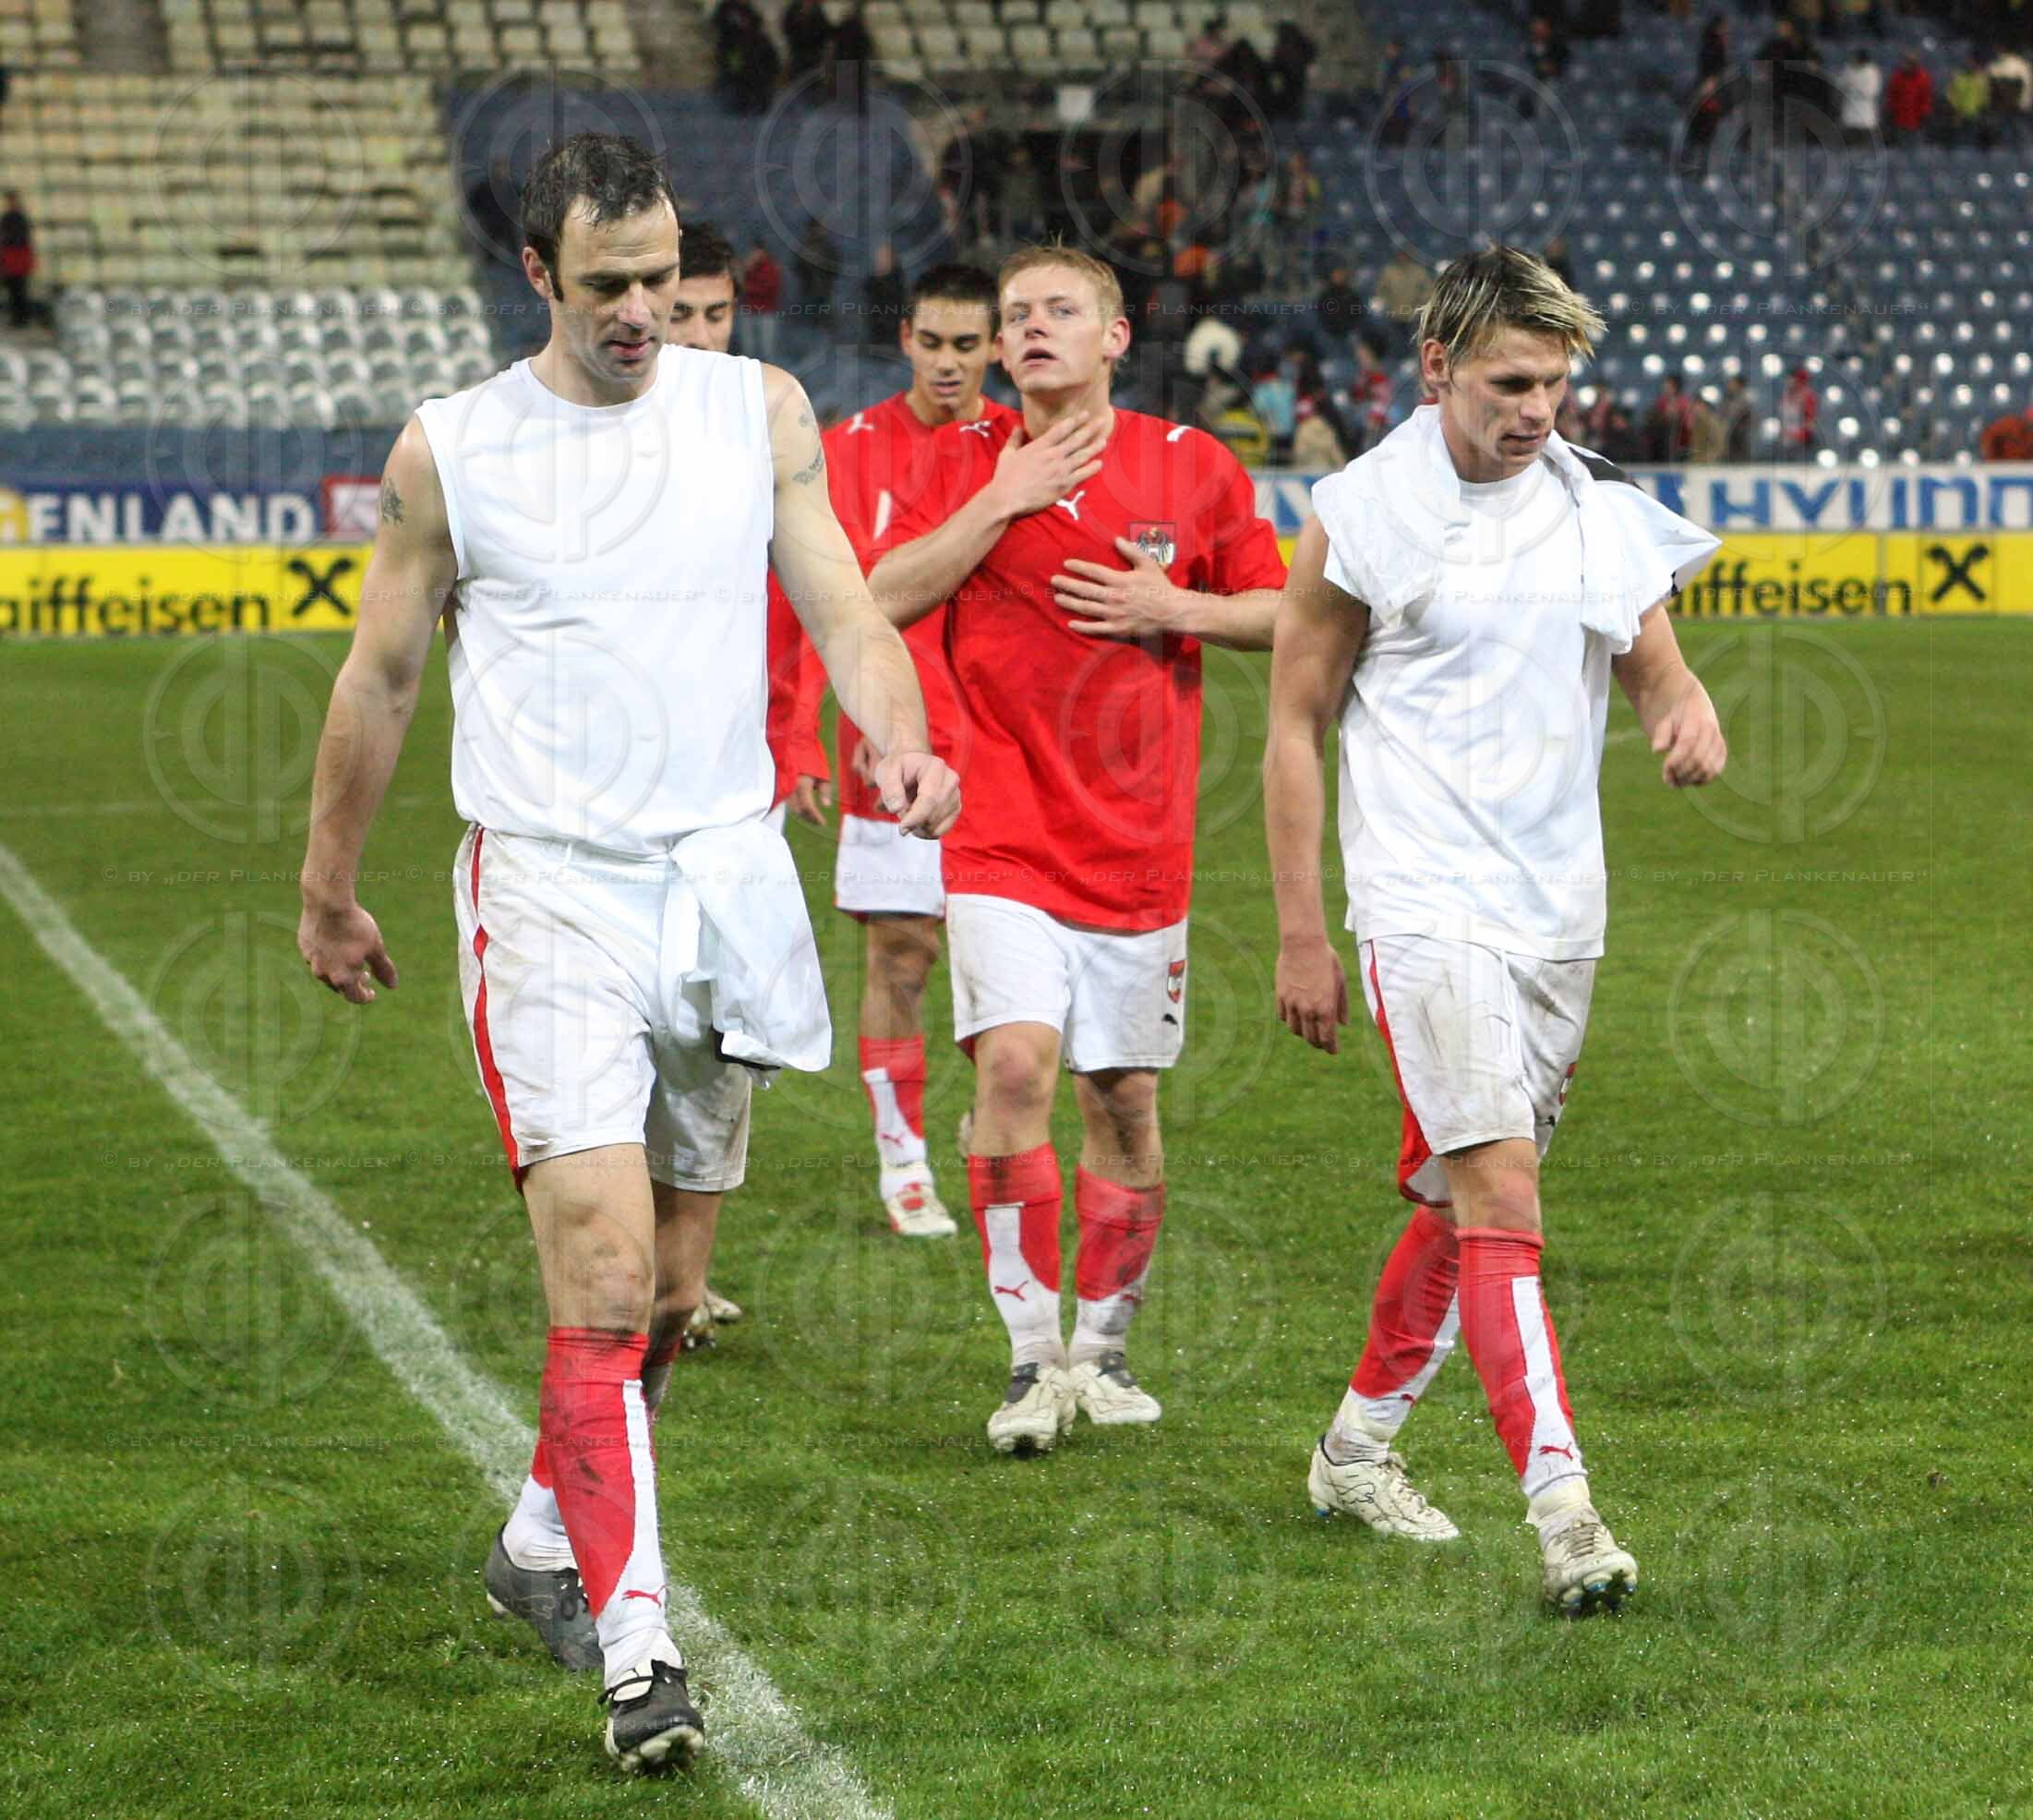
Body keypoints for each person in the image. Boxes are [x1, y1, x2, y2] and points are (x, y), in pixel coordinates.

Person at [294, 132, 958, 1772]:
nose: (647, 310)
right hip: (550, 893)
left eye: (663, 275)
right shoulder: (454, 452)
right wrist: (328, 885)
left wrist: (896, 739)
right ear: (536, 276)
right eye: (609, 285)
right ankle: (639, 1655)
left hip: (725, 885)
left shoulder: (761, 414)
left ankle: (541, 1537)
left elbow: (847, 615)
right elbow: (377, 681)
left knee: (662, 1295)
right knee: (595, 1276)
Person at [1261, 245, 1726, 1615]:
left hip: (1556, 912)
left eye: (1555, 383)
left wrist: (1678, 710)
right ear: (1437, 368)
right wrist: (1300, 933)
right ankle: (1566, 1513)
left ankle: (1354, 1449)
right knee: (1501, 1196)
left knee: (1453, 1203)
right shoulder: (1362, 515)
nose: (1536, 409)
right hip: (1419, 901)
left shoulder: (1594, 508)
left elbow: (1654, 664)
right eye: (1510, 381)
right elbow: (1293, 722)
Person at [865, 245, 1287, 1452]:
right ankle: (1026, 1356)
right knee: (1013, 1066)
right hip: (998, 832)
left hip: (1137, 849)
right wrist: (1002, 493)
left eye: (1061, 309)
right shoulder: (957, 459)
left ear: (1114, 335)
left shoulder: (1190, 466)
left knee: (1124, 1098)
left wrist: (1179, 610)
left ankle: (1099, 1351)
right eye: (1014, 316)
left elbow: (1285, 608)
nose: (1031, 327)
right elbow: (879, 593)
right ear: (997, 350)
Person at [655, 218, 827, 1347]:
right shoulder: (600, 436)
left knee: (722, 1043)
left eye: (719, 314)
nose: (704, 336)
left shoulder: (761, 430)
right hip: (618, 803)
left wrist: (803, 740)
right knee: (636, 1038)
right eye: (683, 315)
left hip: (741, 792)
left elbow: (817, 606)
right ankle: (635, 1266)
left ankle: (680, 1274)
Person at [817, 263, 1016, 1238]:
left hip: (1013, 757)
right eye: (932, 342)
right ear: (906, 338)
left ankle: (999, 1133)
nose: (948, 362)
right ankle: (903, 1163)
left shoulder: (1025, 449)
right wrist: (859, 732)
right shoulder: (846, 450)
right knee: (901, 957)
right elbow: (840, 610)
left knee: (1001, 961)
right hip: (892, 750)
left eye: (966, 345)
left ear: (996, 348)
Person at [740, 241, 783, 364]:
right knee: (748, 346)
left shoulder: (770, 268)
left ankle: (770, 372)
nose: (754, 255)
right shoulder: (748, 267)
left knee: (767, 347)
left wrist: (748, 286)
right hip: (749, 310)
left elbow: (768, 287)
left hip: (766, 311)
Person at [0, 191, 33, 330]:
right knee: (14, 288)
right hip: (11, 256)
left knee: (19, 288)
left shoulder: (18, 218)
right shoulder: (10, 217)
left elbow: (20, 238)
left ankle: (21, 318)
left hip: (17, 256)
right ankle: (18, 318)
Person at [1885, 52, 1933, 141]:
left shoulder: (1923, 78)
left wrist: (1924, 115)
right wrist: (1891, 111)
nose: (1905, 65)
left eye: (1908, 63)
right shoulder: (1897, 77)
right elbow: (1891, 96)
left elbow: (1926, 98)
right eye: (1905, 62)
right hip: (1899, 119)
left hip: (1916, 120)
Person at [1838, 46, 1882, 142]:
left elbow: (1871, 91)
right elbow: (1841, 85)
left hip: (1865, 118)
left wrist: (1853, 89)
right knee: (1849, 149)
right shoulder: (1848, 70)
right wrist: (1849, 88)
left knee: (1865, 149)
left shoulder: (1872, 72)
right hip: (1849, 117)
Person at [1780, 364, 1819, 459]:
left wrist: (1797, 435)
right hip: (1786, 441)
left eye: (1792, 379)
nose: (1789, 381)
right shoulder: (1786, 395)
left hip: (1802, 442)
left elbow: (1810, 423)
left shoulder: (1808, 396)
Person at [1721, 372, 1755, 460]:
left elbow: (1743, 414)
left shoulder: (1745, 398)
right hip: (1730, 431)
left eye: (1732, 383)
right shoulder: (1728, 397)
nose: (1730, 385)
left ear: (1739, 385)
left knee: (1741, 454)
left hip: (1741, 432)